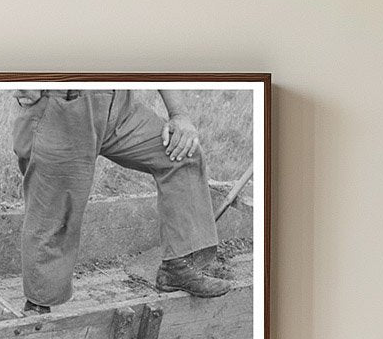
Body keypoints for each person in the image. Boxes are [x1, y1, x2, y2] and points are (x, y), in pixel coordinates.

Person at [13, 88, 230, 313]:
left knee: (182, 152)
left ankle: (178, 267)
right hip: (64, 105)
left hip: (118, 104)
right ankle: (38, 310)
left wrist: (179, 115)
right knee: (55, 210)